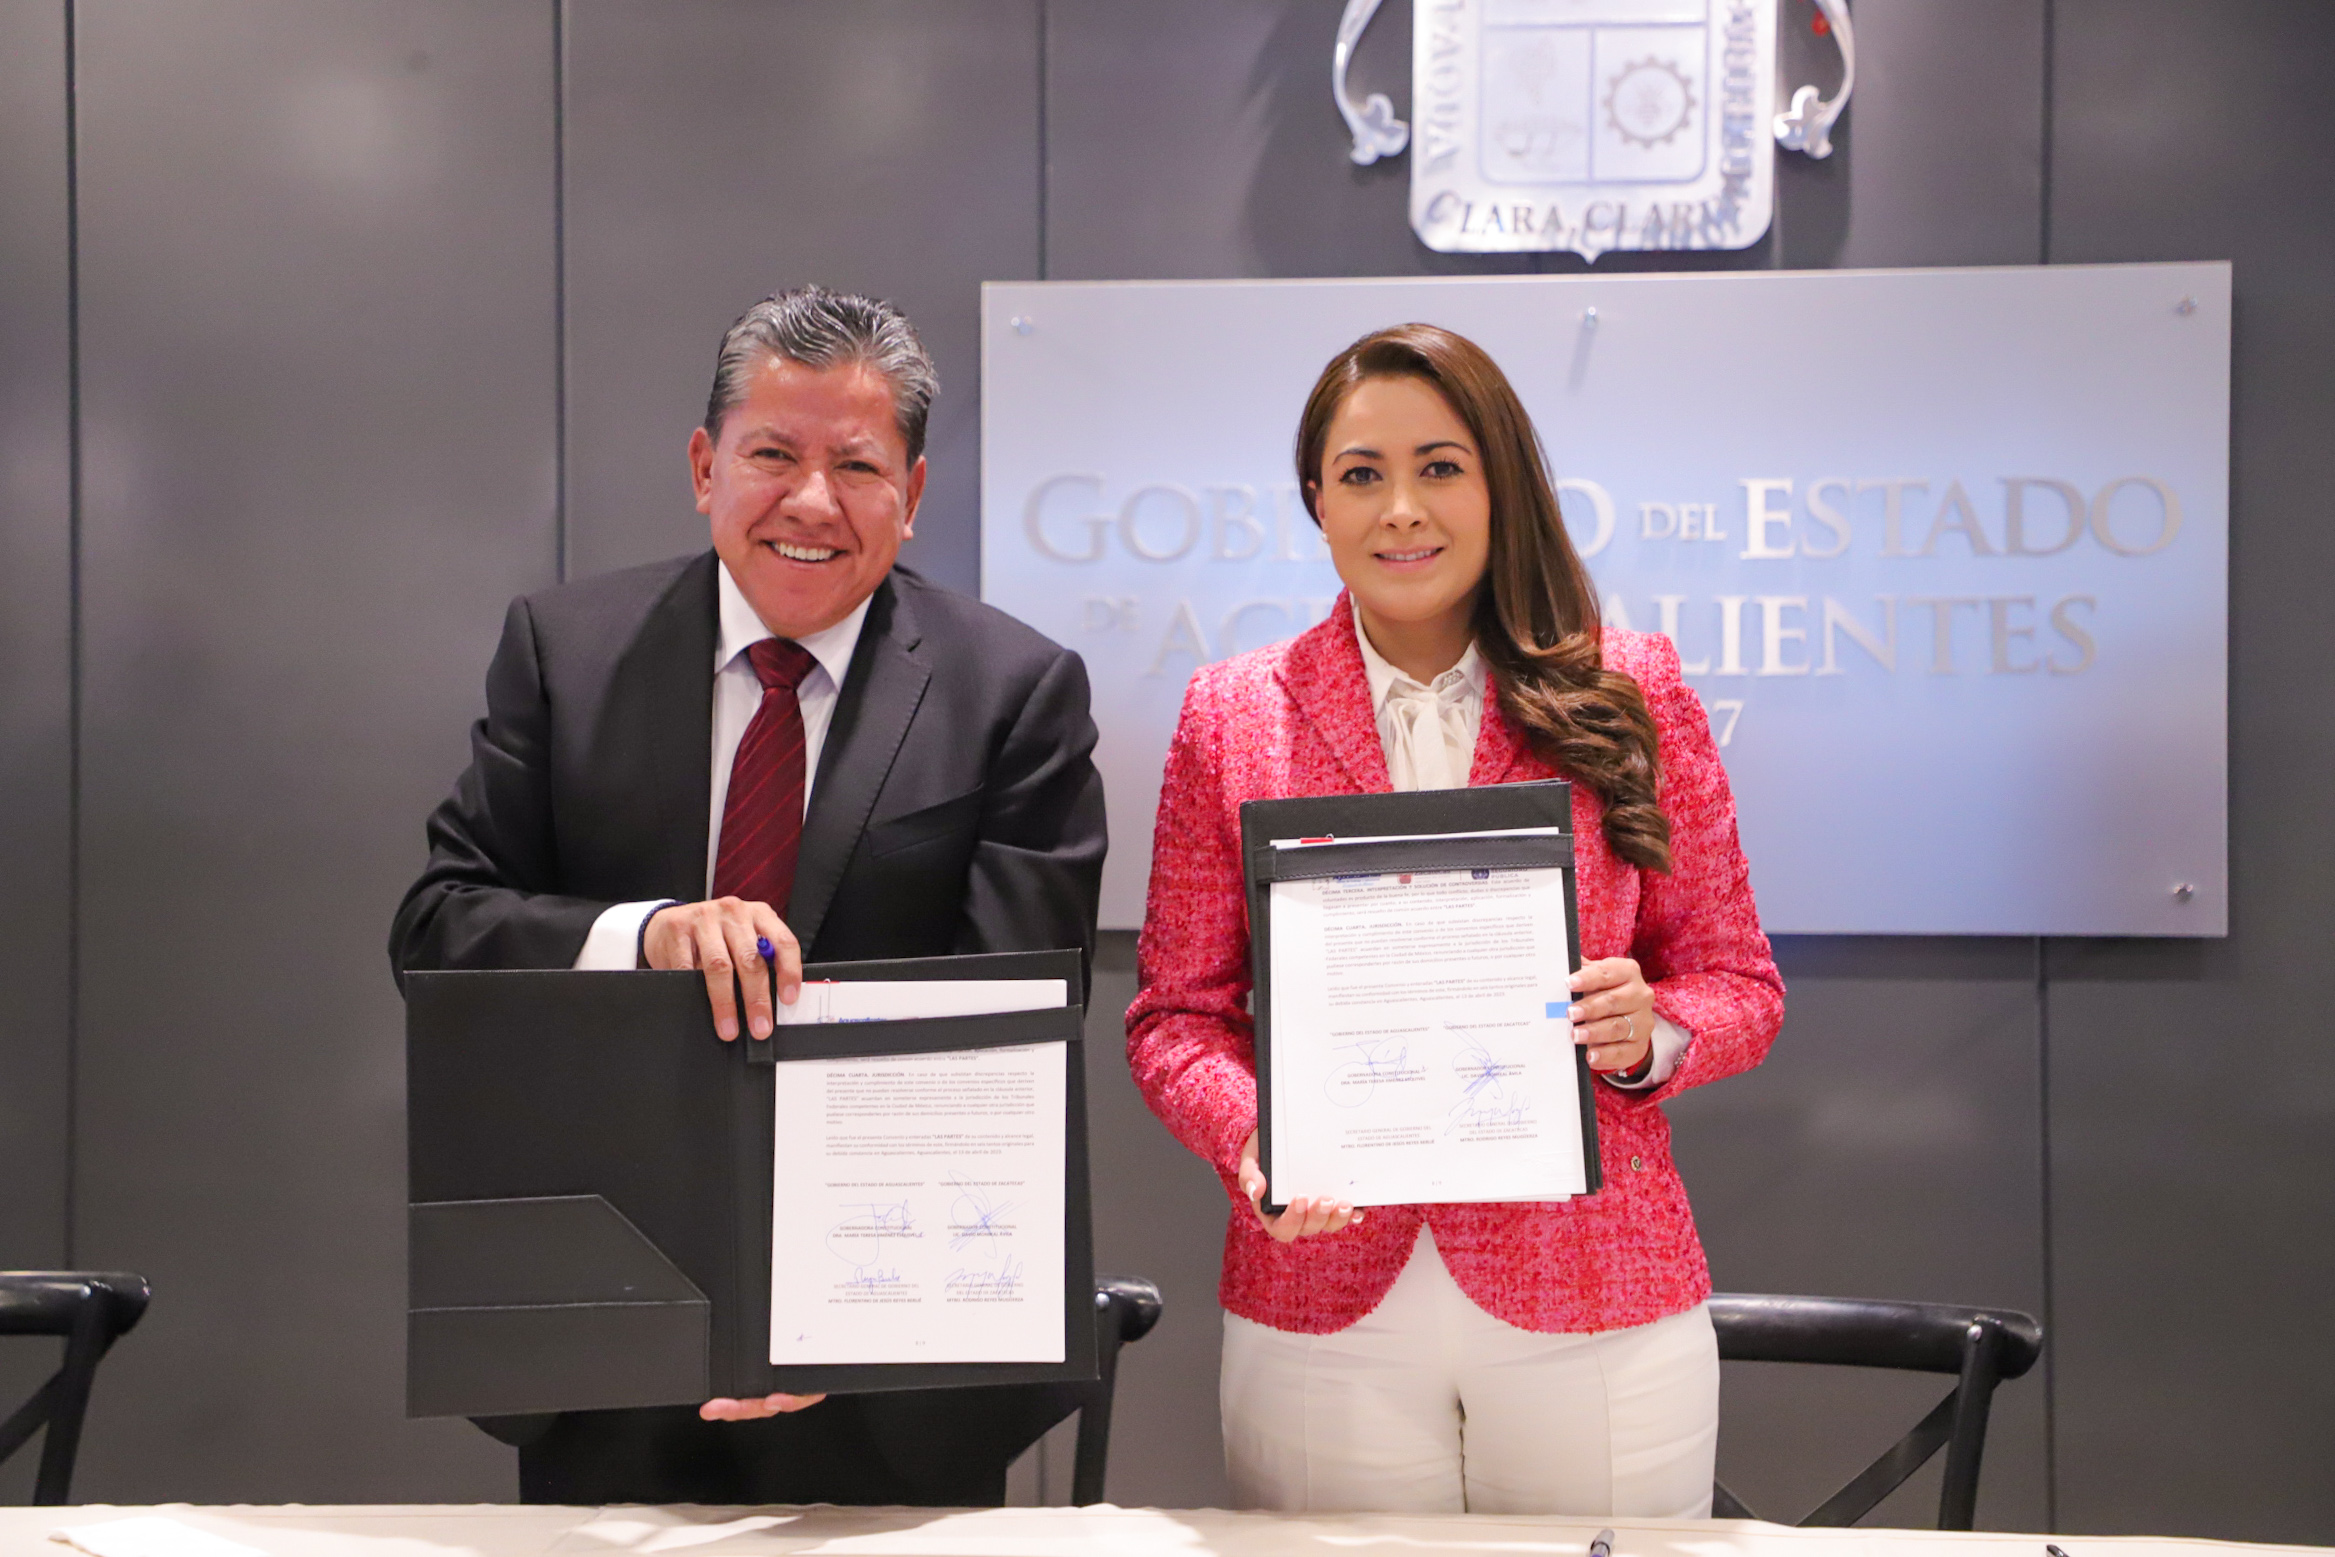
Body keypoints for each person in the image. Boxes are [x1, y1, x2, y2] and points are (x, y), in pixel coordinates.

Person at [391, 285, 1106, 1505]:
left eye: (857, 466)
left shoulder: (1012, 693)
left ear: (912, 494)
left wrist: (828, 1308)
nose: (811, 501)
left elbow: (1006, 1025)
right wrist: (643, 936)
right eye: (772, 454)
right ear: (703, 467)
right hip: (607, 1329)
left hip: (895, 1362)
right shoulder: (566, 655)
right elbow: (437, 932)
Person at [1125, 323, 1784, 1517]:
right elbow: (1175, 1018)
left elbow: (1738, 983)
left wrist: (1649, 1033)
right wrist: (1255, 1137)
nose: (1401, 511)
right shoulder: (1231, 715)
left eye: (1439, 467)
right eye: (1360, 475)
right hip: (1320, 1298)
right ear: (1315, 501)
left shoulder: (1629, 688)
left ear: (1499, 485)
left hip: (1593, 1290)